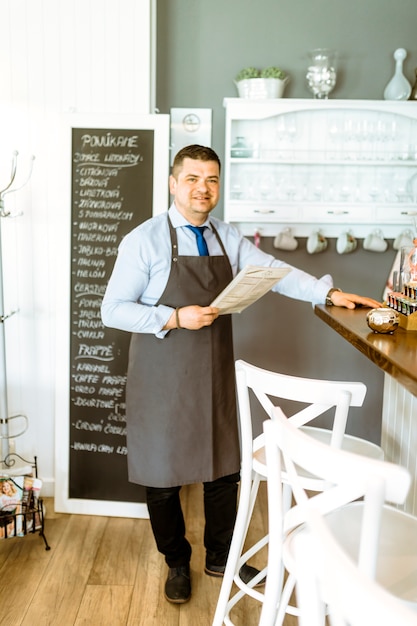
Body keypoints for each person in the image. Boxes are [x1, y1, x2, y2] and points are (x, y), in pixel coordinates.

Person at [101, 144, 381, 604]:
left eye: (211, 180)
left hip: (211, 372)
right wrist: (172, 318)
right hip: (160, 376)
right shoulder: (144, 240)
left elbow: (276, 272)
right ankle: (175, 561)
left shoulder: (225, 237)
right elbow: (112, 310)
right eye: (192, 179)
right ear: (173, 184)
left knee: (222, 471)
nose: (202, 189)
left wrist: (328, 294)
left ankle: (219, 555)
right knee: (162, 476)